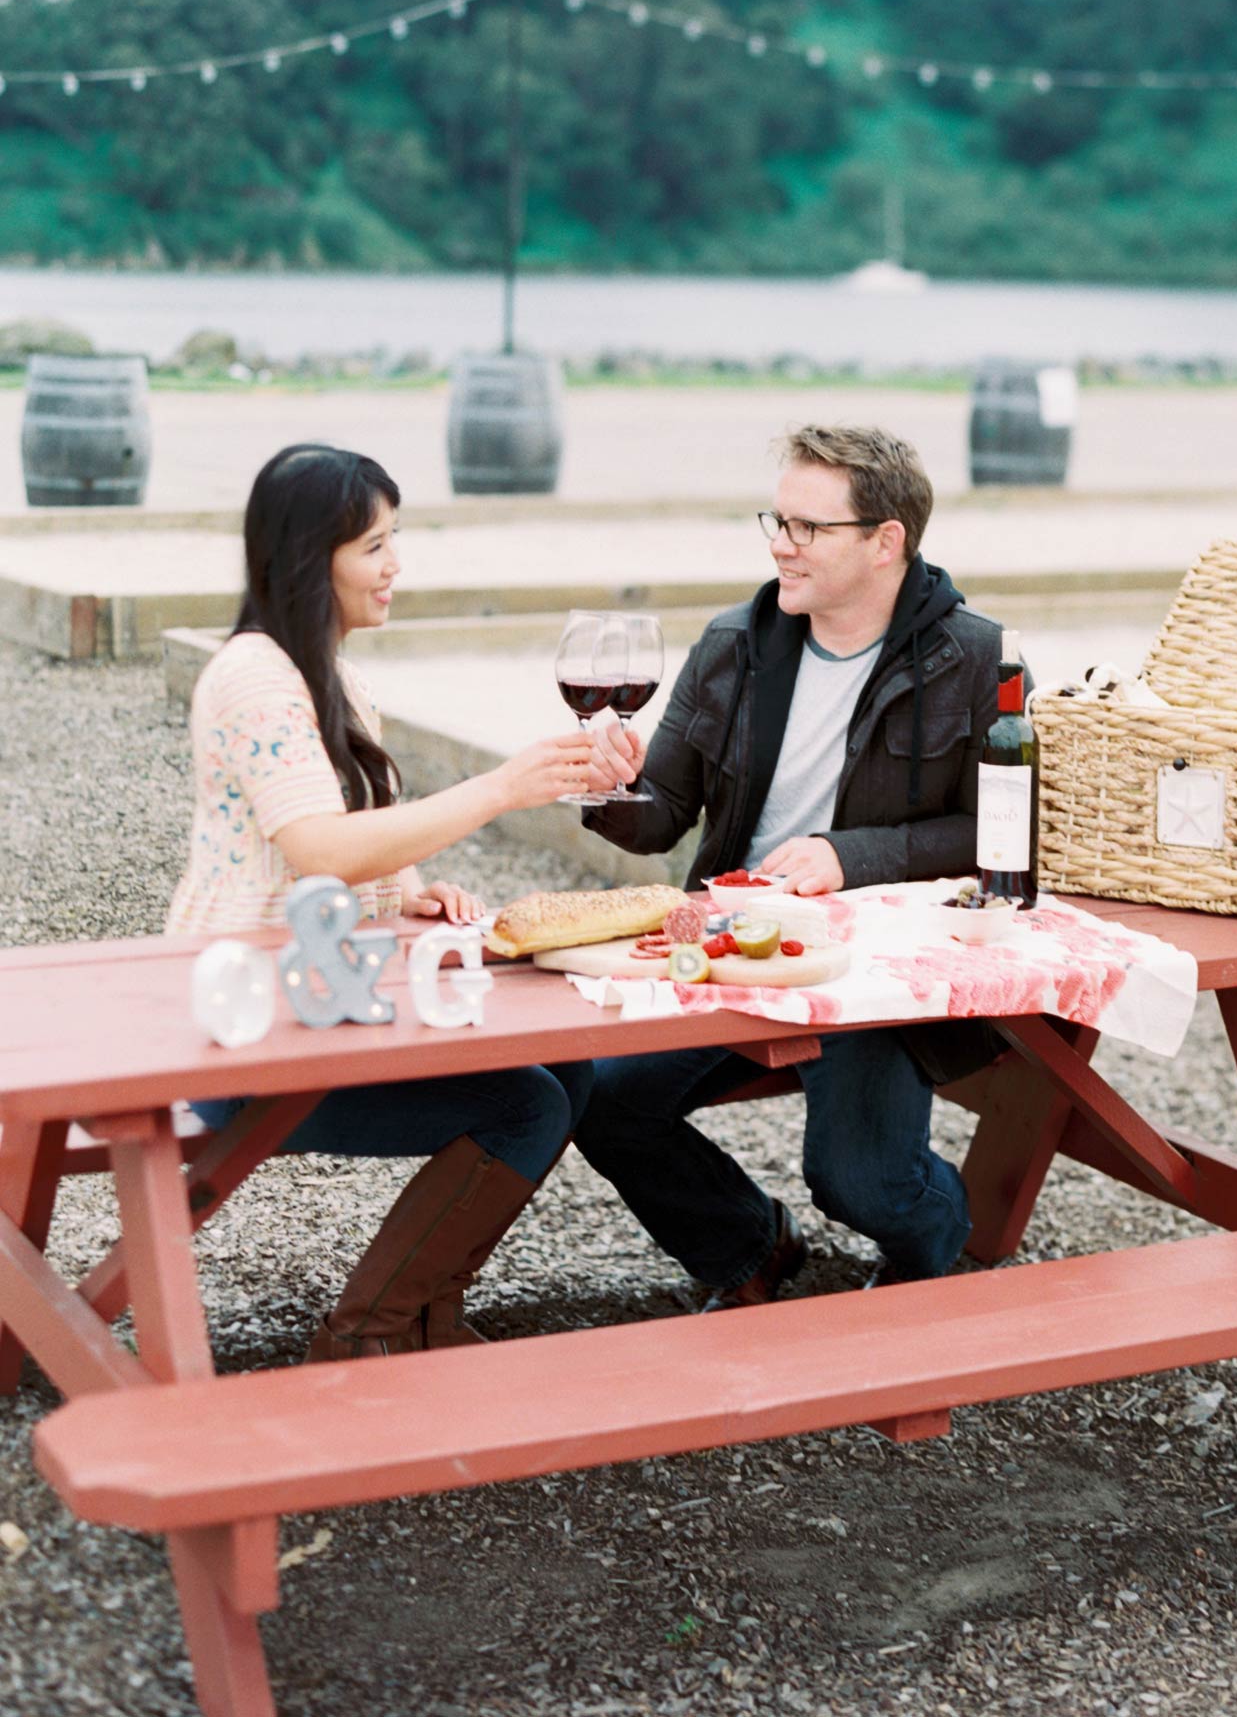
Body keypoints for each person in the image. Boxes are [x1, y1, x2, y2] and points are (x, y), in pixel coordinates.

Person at [168, 442, 608, 1359]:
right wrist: (496, 788)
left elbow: (350, 843)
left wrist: (415, 893)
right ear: (308, 557)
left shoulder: (331, 673)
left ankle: (422, 1314)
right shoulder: (256, 674)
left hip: (321, 996)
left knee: (566, 1071)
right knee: (523, 1104)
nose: (396, 564)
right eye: (375, 545)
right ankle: (361, 1333)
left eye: (394, 539)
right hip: (244, 1028)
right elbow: (316, 848)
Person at [577, 423, 1005, 1306]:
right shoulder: (730, 645)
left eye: (809, 527)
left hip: (876, 972)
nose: (781, 542)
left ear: (887, 541)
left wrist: (851, 857)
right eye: (776, 518)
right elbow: (661, 817)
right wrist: (603, 784)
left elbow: (1000, 833)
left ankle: (942, 1241)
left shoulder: (976, 657)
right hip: (734, 943)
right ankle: (749, 1245)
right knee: (596, 1098)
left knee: (860, 1182)